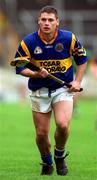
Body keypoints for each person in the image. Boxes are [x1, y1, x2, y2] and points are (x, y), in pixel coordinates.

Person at [14, 6, 88, 176]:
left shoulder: (69, 38)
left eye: (50, 20)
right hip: (39, 90)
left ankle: (59, 156)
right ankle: (47, 162)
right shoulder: (28, 42)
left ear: (57, 22)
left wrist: (77, 81)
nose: (47, 23)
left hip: (62, 89)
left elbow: (82, 59)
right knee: (41, 134)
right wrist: (35, 73)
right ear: (38, 21)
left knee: (62, 125)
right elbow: (19, 68)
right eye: (44, 20)